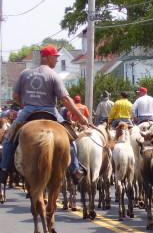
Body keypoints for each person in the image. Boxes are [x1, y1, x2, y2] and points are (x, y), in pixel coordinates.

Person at [0, 45, 89, 184]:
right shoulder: (53, 75)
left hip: (28, 111)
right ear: (48, 57)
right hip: (50, 111)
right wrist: (82, 116)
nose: (57, 61)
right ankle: (75, 169)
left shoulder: (25, 73)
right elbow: (65, 99)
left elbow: (15, 95)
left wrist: (24, 103)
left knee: (9, 139)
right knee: (70, 138)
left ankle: (4, 169)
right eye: (55, 57)